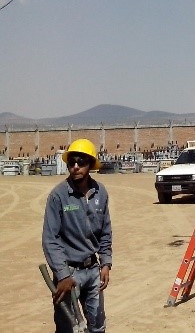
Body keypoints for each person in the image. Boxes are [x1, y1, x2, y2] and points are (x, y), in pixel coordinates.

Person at [42, 138, 112, 332]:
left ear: (90, 164)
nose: (75, 167)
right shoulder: (58, 196)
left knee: (97, 327)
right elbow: (50, 239)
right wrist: (62, 274)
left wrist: (105, 262)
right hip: (69, 274)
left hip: (93, 271)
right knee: (69, 328)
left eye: (81, 162)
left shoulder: (100, 193)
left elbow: (105, 230)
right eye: (71, 162)